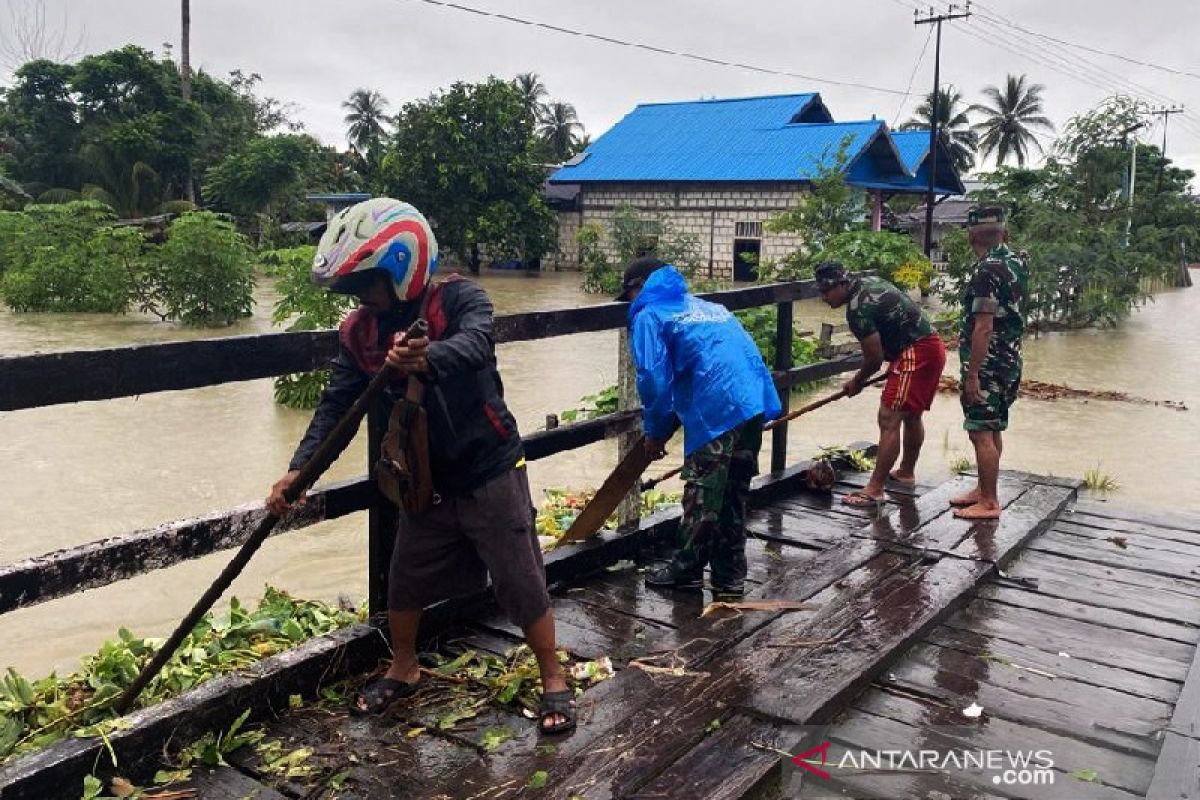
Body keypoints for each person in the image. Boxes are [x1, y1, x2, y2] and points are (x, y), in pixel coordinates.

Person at [265, 198, 574, 734]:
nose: (362, 297)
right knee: (403, 580)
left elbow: (476, 345)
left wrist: (427, 360)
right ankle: (403, 666)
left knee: (519, 578)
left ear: (402, 266)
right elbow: (338, 406)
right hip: (424, 482)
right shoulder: (360, 334)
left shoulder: (458, 298)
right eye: (354, 287)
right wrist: (300, 470)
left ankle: (553, 677)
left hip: (488, 468)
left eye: (368, 283)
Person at [616, 257, 782, 596]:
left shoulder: (649, 315)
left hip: (717, 408)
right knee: (734, 490)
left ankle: (686, 569)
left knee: (703, 493)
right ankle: (730, 574)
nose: (630, 304)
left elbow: (652, 379)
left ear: (639, 289)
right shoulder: (710, 306)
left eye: (629, 295)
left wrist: (656, 431)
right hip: (752, 400)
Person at [814, 262, 947, 507]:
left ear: (842, 284)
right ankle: (906, 473)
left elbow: (874, 359)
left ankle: (874, 489)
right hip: (930, 346)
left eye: (827, 291)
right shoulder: (869, 282)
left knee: (889, 417)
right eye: (820, 291)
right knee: (912, 415)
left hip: (915, 352)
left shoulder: (857, 310)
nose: (823, 297)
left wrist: (857, 381)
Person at [952, 205, 1028, 519]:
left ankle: (989, 502)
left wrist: (972, 376)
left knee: (980, 431)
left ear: (971, 234)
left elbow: (984, 326)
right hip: (1011, 359)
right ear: (1003, 231)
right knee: (993, 426)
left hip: (989, 363)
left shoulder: (986, 271)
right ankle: (984, 490)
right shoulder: (1017, 260)